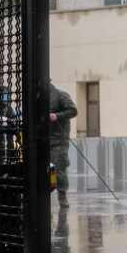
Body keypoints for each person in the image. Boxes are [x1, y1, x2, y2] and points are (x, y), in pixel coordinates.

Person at [48, 79, 77, 207]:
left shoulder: (60, 95)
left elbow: (73, 111)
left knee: (59, 168)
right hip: (44, 140)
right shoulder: (38, 98)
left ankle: (62, 195)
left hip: (59, 140)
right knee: (46, 170)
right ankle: (45, 194)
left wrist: (57, 116)